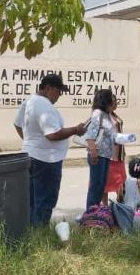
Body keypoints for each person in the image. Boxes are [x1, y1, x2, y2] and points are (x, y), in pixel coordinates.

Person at [14, 73, 86, 227]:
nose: (59, 95)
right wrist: (75, 130)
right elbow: (52, 134)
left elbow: (17, 124)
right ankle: (38, 234)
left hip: (31, 155)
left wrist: (30, 141)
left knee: (32, 201)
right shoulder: (43, 106)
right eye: (58, 91)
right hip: (46, 160)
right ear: (48, 88)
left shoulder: (29, 102)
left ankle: (30, 234)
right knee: (44, 201)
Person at [85, 89, 120, 209]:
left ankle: (96, 212)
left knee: (101, 186)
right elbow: (90, 135)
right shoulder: (97, 113)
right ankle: (90, 213)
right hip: (97, 155)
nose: (113, 101)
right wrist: (93, 152)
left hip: (105, 155)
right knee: (95, 186)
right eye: (111, 98)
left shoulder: (107, 114)